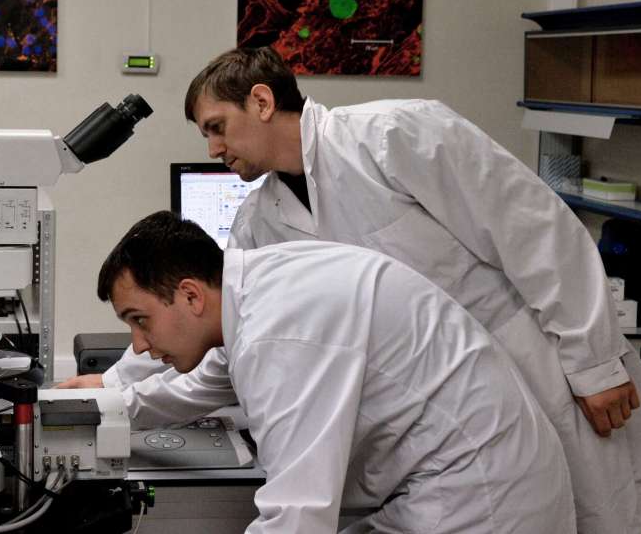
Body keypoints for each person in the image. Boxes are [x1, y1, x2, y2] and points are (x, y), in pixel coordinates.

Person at [61, 47, 641, 533]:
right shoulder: (257, 222)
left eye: (217, 128)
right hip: (432, 414)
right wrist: (113, 387)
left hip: (543, 361)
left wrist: (593, 360)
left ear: (262, 102)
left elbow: (533, 231)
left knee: (603, 513)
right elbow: (214, 329)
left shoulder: (395, 133)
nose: (213, 150)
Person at [98, 210, 575, 533]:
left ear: (190, 295)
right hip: (446, 482)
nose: (138, 344)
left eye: (140, 320)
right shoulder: (253, 293)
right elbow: (197, 387)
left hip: (482, 497)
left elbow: (297, 515)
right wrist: (103, 405)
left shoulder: (278, 332)